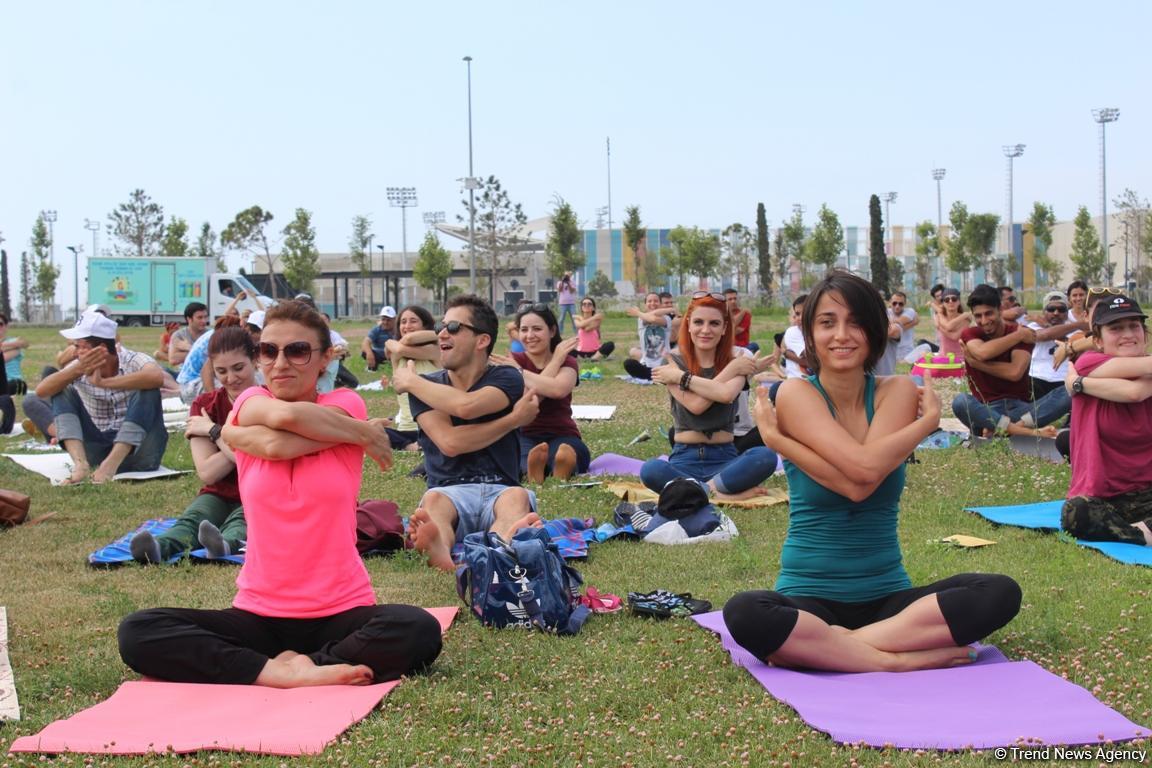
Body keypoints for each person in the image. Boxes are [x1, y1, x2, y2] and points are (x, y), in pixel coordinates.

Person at [118, 299, 442, 687]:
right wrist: (358, 433)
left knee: (418, 628)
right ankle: (278, 672)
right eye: (268, 351)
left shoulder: (345, 403)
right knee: (139, 630)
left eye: (298, 350)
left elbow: (280, 432)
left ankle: (306, 664)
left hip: (341, 609)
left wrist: (234, 434)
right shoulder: (251, 403)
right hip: (259, 613)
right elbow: (279, 434)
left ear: (325, 359)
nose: (280, 362)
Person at [723, 270, 1021, 672]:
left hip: (889, 603)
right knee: (745, 612)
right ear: (810, 333)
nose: (842, 335)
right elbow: (861, 476)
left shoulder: (895, 391)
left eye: (856, 322)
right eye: (828, 323)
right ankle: (893, 661)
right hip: (809, 598)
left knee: (999, 592)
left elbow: (862, 477)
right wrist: (922, 426)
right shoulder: (795, 393)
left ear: (875, 331)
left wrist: (779, 441)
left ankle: (840, 648)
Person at [394, 295, 543, 572]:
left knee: (517, 498)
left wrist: (411, 381)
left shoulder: (507, 378)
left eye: (453, 327)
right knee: (434, 503)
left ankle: (495, 550)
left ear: (482, 340)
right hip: (448, 489)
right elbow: (450, 443)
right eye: (441, 326)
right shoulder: (425, 386)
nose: (441, 333)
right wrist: (514, 419)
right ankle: (440, 547)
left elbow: (467, 407)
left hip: (501, 487)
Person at [129, 327, 257, 563]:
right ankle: (158, 548)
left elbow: (257, 461)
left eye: (238, 368)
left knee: (244, 519)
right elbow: (208, 473)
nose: (230, 378)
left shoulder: (269, 401)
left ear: (255, 361)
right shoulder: (205, 404)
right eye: (221, 371)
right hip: (219, 490)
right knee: (194, 518)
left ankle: (226, 545)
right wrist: (245, 442)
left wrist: (214, 431)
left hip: (260, 490)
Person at [639, 291, 778, 501]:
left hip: (725, 458)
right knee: (650, 469)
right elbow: (696, 406)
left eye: (714, 323)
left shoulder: (737, 359)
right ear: (688, 325)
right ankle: (719, 494)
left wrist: (681, 378)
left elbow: (725, 395)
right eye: (698, 322)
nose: (705, 330)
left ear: (724, 328)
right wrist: (731, 370)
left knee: (765, 457)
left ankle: (698, 491)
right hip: (683, 459)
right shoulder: (673, 362)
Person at [34, 313, 168, 484]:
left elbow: (156, 377)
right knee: (61, 388)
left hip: (141, 453)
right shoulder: (79, 367)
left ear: (102, 349)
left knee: (148, 389)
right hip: (97, 449)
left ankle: (110, 466)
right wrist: (76, 370)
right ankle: (81, 465)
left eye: (81, 347)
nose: (76, 353)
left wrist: (105, 383)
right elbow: (41, 392)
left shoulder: (132, 359)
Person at [1061, 294, 1152, 546]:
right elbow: (1134, 393)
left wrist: (1077, 384)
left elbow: (1138, 391)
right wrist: (1078, 381)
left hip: (1148, 493)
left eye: (1134, 326)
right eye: (1116, 328)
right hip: (1104, 499)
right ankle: (1142, 534)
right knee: (1076, 513)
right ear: (1098, 340)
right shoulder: (1088, 362)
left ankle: (1134, 532)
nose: (1128, 334)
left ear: (1144, 333)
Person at [950, 284, 1070, 437]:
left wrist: (976, 364)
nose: (984, 320)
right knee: (961, 401)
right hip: (986, 412)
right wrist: (1019, 336)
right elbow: (983, 352)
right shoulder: (972, 333)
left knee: (1071, 389)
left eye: (989, 314)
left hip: (1021, 412)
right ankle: (1022, 432)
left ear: (1000, 310)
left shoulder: (1017, 331)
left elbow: (1014, 372)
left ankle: (1006, 429)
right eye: (978, 316)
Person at [493, 304, 590, 482]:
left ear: (552, 331)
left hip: (563, 433)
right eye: (524, 330)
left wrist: (520, 372)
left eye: (537, 329)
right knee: (517, 459)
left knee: (568, 453)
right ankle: (533, 472)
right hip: (524, 433)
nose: (530, 336)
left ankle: (559, 468)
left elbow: (558, 389)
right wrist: (554, 361)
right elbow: (526, 400)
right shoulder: (515, 361)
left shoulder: (567, 361)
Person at [382, 305, 440, 451]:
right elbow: (403, 345)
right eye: (403, 322)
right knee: (368, 427)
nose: (407, 326)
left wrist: (440, 332)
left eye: (413, 321)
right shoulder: (396, 356)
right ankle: (410, 446)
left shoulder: (435, 351)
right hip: (405, 429)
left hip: (433, 429)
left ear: (425, 325)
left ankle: (413, 446)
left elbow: (406, 341)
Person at [623, 292, 676, 380]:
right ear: (645, 304)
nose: (652, 303)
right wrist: (672, 309)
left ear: (660, 304)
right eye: (649, 301)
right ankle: (657, 376)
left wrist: (637, 312)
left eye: (656, 301)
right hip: (646, 364)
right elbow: (650, 317)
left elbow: (653, 318)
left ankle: (655, 375)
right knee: (628, 363)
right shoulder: (641, 319)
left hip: (664, 364)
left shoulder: (667, 319)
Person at [169, 302, 210, 368]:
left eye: (205, 317)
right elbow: (173, 360)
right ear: (189, 319)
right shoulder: (179, 335)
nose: (204, 321)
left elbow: (215, 356)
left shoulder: (210, 334)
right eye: (200, 318)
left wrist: (189, 347)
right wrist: (201, 352)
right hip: (184, 374)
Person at [933, 288, 970, 357]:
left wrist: (938, 327)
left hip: (960, 358)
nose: (950, 301)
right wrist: (963, 315)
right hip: (942, 356)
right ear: (943, 303)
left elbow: (954, 336)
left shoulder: (966, 320)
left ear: (959, 302)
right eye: (947, 300)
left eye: (954, 299)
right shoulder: (940, 315)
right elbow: (948, 327)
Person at [781, 294, 809, 379]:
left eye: (805, 313)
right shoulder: (792, 332)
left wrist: (787, 354)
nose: (799, 318)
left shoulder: (819, 331)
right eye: (797, 314)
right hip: (796, 380)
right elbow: (810, 358)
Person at [0, 312, 28, 395]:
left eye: (0, 324)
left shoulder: (14, 341)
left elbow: (25, 343)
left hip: (13, 382)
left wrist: (4, 345)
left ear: (6, 326)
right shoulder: (15, 345)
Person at [361, 306, 396, 372]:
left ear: (394, 319)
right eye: (383, 319)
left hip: (395, 354)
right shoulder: (377, 329)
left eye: (388, 320)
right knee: (365, 352)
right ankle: (373, 367)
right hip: (381, 354)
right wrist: (369, 354)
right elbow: (366, 342)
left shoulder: (400, 329)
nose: (385, 322)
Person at [888, 291, 919, 360]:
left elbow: (899, 323)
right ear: (890, 302)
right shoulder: (886, 312)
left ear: (905, 304)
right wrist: (913, 323)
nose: (897, 306)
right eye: (894, 303)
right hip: (891, 352)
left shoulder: (910, 311)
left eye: (900, 304)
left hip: (906, 351)